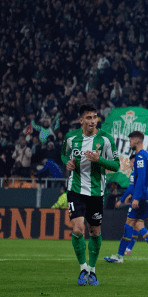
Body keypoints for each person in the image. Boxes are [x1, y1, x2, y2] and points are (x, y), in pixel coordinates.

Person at [61, 103, 120, 286]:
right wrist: (68, 163)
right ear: (81, 120)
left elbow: (116, 165)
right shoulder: (71, 137)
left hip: (96, 192)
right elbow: (64, 155)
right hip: (75, 190)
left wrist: (99, 159)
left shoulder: (106, 139)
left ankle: (92, 271)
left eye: (95, 117)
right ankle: (83, 268)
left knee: (95, 232)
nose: (93, 121)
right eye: (89, 117)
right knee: (78, 230)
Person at [105, 131, 148, 265]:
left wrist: (136, 198)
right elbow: (145, 179)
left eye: (130, 140)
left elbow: (141, 178)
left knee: (129, 224)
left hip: (142, 197)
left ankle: (119, 256)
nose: (129, 143)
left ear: (137, 140)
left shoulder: (140, 157)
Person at [104, 155, 148, 262]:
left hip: (138, 202)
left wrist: (121, 200)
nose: (128, 164)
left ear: (134, 162)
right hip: (144, 202)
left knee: (130, 225)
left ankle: (120, 256)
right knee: (137, 225)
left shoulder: (136, 173)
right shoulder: (143, 172)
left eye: (130, 162)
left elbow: (131, 188)